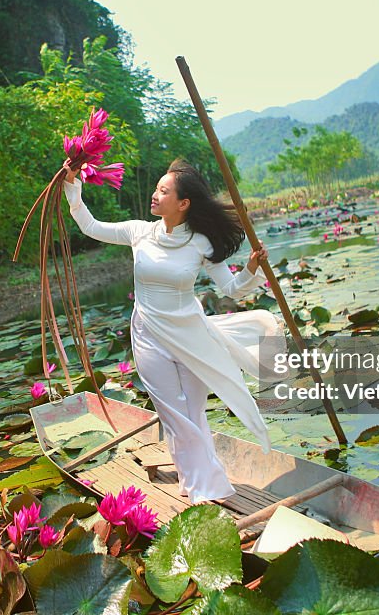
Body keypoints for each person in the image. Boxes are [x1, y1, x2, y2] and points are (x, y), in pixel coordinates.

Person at [63, 157, 285, 503]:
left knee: (193, 411)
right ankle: (207, 488)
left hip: (192, 335)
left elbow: (230, 289)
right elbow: (91, 226)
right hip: (149, 333)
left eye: (163, 191)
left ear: (183, 204)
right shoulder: (139, 231)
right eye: (156, 188)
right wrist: (73, 187)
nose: (154, 195)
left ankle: (191, 482)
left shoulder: (201, 244)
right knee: (174, 413)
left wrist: (252, 269)